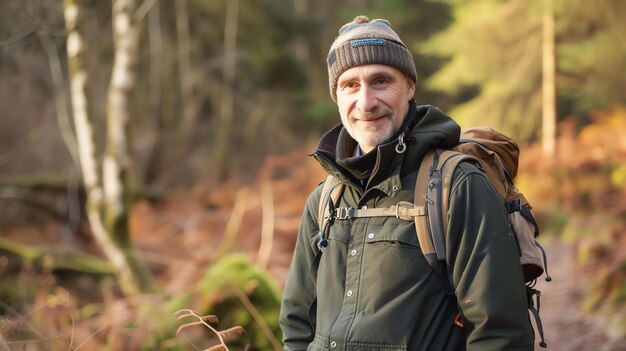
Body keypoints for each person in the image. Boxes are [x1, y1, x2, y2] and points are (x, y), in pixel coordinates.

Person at [279, 15, 535, 351]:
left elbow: (500, 334)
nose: (366, 102)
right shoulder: (325, 199)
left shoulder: (456, 187)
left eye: (381, 81)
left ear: (410, 87)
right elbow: (297, 324)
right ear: (336, 96)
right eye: (350, 85)